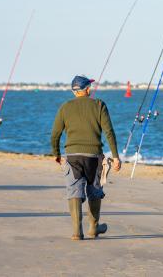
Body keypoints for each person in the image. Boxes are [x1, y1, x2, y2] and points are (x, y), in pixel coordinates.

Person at [51, 75, 121, 240]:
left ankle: (77, 232)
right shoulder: (99, 105)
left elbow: (55, 135)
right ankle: (93, 227)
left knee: (74, 191)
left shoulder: (65, 107)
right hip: (93, 157)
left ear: (74, 91)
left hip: (72, 157)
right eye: (89, 86)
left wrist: (56, 154)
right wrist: (116, 156)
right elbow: (109, 132)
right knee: (95, 190)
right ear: (87, 89)